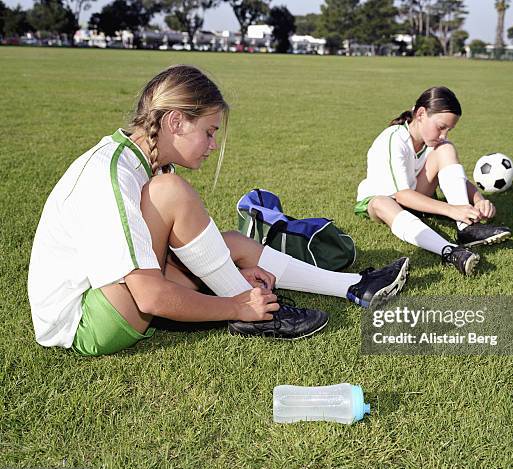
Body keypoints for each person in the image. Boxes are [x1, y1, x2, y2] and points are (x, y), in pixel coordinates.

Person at [28, 65, 410, 357]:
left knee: (231, 243)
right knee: (172, 194)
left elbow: (152, 264)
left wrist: (231, 275)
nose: (212, 145)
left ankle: (352, 286)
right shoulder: (113, 173)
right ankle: (255, 316)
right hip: (86, 321)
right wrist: (233, 304)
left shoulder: (145, 162)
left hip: (111, 294)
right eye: (209, 132)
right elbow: (149, 297)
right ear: (175, 121)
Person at [354, 86, 511, 276]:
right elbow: (402, 195)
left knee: (446, 148)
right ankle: (450, 251)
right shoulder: (394, 139)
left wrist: (478, 200)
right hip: (385, 202)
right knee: (381, 202)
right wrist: (451, 210)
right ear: (421, 114)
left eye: (449, 129)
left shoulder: (433, 142)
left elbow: (458, 178)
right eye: (441, 127)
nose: (444, 135)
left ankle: (467, 228)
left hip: (417, 197)